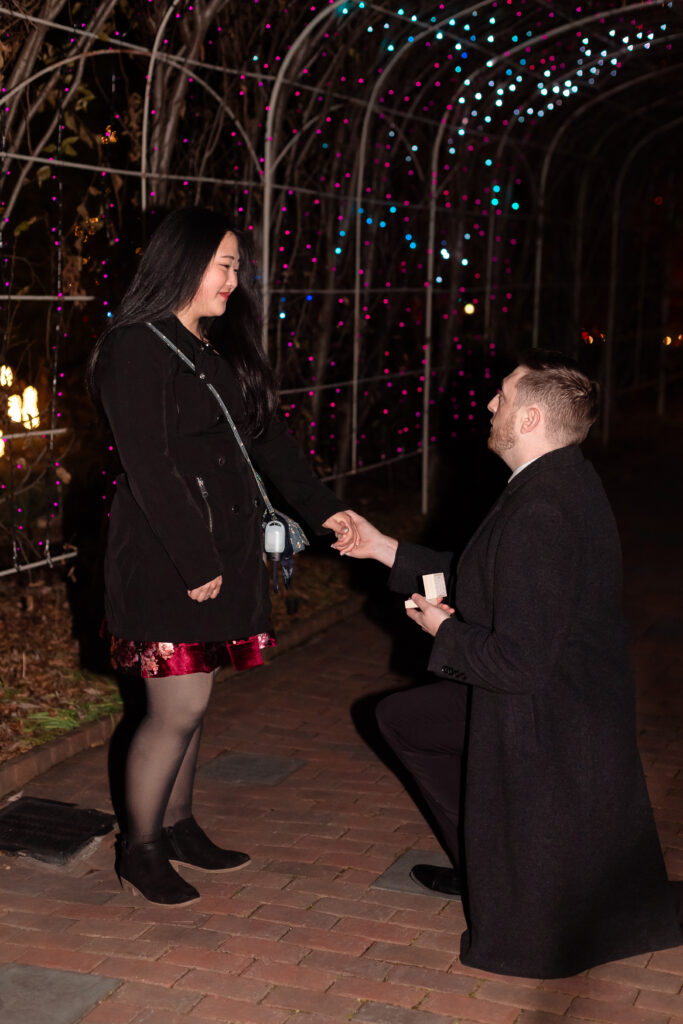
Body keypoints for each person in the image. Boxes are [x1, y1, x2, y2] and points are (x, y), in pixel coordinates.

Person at [344, 349, 681, 978]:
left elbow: (519, 665)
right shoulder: (552, 481)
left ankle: (506, 880)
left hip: (550, 714)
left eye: (501, 397)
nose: (490, 404)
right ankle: (486, 864)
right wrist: (380, 547)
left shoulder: (544, 511)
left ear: (529, 419)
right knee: (406, 719)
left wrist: (445, 630)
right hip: (552, 695)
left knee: (411, 720)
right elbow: (482, 576)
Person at [88, 207, 358, 906]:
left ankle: (177, 825)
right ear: (182, 263)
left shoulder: (211, 348)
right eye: (225, 264)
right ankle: (139, 849)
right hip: (166, 553)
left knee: (194, 699)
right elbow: (150, 468)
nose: (235, 280)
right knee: (174, 704)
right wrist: (195, 559)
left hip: (223, 548)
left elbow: (270, 443)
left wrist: (325, 513)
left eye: (238, 266)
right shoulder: (134, 347)